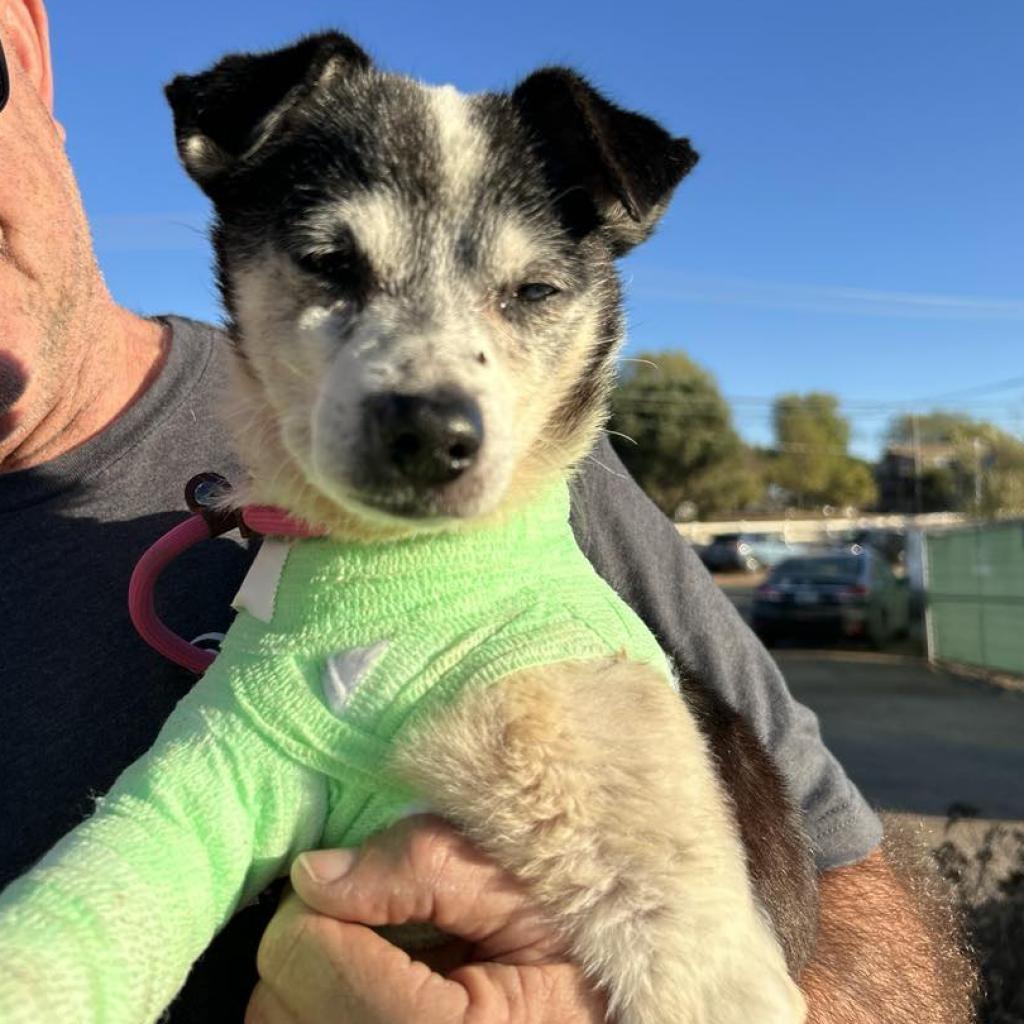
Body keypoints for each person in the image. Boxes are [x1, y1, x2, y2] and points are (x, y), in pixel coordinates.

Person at [0, 4, 971, 1022]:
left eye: (528, 291)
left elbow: (848, 894)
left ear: (25, 45)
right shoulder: (271, 634)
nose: (432, 389)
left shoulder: (574, 526)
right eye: (337, 265)